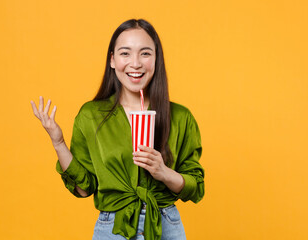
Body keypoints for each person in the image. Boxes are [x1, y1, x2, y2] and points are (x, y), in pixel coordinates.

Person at [31, 19, 204, 240]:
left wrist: (163, 172)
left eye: (145, 53)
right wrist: (58, 143)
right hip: (113, 229)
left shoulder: (180, 117)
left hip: (165, 226)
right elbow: (84, 189)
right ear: (112, 60)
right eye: (125, 53)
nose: (135, 63)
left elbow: (196, 186)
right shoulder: (91, 116)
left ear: (156, 59)